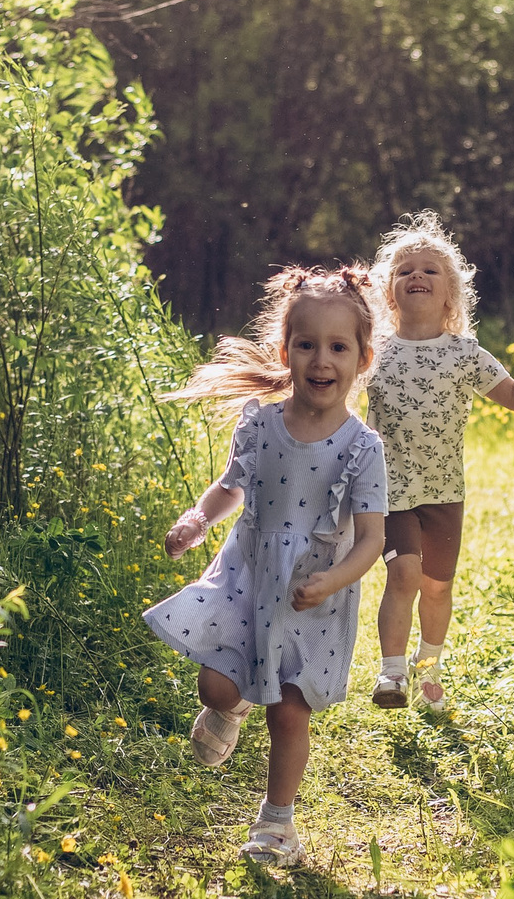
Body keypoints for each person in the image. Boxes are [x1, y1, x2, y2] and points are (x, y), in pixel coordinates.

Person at [149, 265, 388, 867]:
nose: (320, 360)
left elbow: (369, 541)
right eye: (306, 345)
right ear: (286, 351)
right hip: (248, 575)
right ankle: (228, 707)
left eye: (338, 347)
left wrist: (332, 580)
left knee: (288, 713)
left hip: (313, 594)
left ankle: (276, 825)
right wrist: (197, 519)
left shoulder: (363, 448)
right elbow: (231, 487)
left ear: (362, 358)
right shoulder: (260, 423)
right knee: (215, 683)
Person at [364, 213, 514, 712]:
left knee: (437, 588)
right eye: (405, 270)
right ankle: (391, 675)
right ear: (390, 292)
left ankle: (428, 669)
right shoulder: (373, 353)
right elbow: (330, 393)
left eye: (430, 270)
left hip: (444, 494)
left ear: (450, 295)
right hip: (389, 491)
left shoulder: (465, 353)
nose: (416, 275)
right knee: (404, 577)